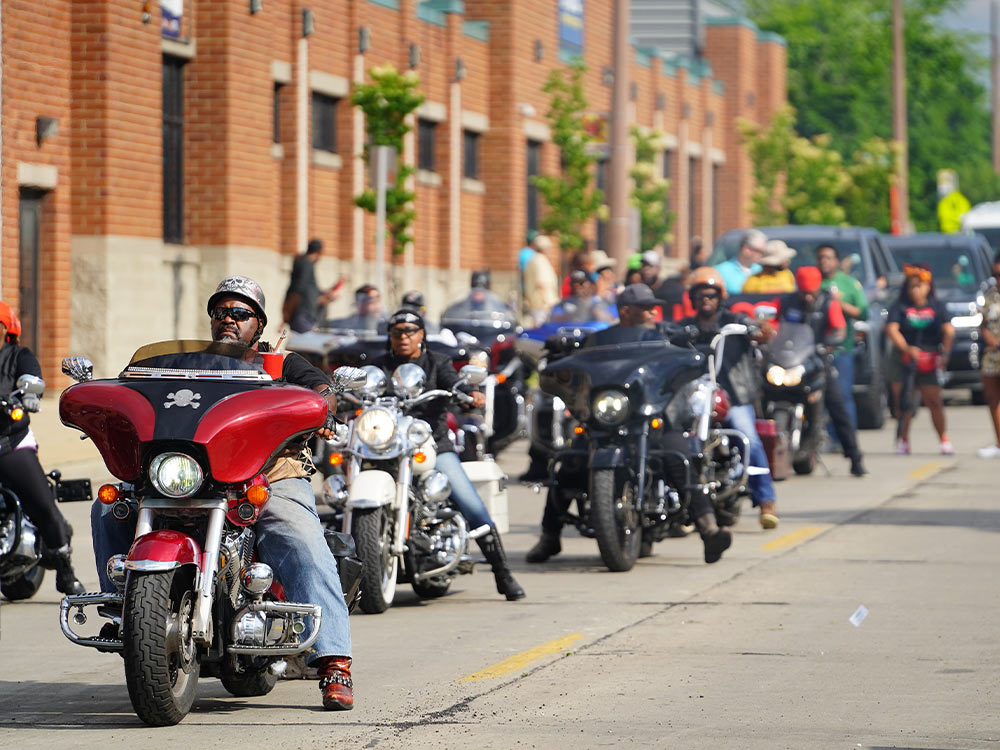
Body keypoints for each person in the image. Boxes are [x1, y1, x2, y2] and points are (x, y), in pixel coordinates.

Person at [91, 276, 356, 711]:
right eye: (221, 312)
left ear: (260, 322)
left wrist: (323, 405)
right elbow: (134, 388)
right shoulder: (184, 362)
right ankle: (125, 614)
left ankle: (334, 662)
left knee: (300, 534)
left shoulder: (281, 364)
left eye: (240, 313)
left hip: (266, 473)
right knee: (108, 511)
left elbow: (320, 388)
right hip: (186, 473)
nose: (228, 320)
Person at [527, 282, 733, 564]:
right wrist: (561, 348)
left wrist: (691, 341)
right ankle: (549, 537)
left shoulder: (665, 334)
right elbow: (581, 354)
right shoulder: (602, 340)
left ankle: (709, 529)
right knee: (568, 466)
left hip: (656, 417)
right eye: (646, 307)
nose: (653, 311)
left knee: (680, 457)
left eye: (654, 306)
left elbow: (688, 348)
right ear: (626, 311)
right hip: (609, 419)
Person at [373, 309, 525, 601]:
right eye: (397, 333)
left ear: (421, 335)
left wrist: (470, 393)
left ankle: (503, 574)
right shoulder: (379, 367)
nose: (403, 337)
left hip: (431, 445)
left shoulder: (437, 363)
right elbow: (358, 388)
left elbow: (457, 383)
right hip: (387, 447)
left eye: (410, 331)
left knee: (471, 504)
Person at [677, 268, 782, 529]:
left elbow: (764, 332)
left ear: (720, 296)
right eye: (700, 294)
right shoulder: (684, 328)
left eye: (711, 294)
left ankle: (766, 500)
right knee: (671, 441)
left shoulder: (735, 321)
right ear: (692, 297)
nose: (706, 299)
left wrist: (756, 328)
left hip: (732, 396)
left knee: (749, 440)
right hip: (694, 398)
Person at [0, 302, 86, 596]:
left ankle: (65, 570)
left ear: (7, 330)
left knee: (42, 504)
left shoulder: (17, 356)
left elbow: (32, 377)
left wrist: (29, 390)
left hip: (10, 442)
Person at [779, 267, 867, 477]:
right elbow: (775, 326)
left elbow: (839, 328)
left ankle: (855, 458)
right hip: (791, 363)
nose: (808, 297)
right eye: (804, 292)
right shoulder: (787, 302)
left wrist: (829, 343)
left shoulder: (828, 302)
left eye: (811, 292)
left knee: (838, 407)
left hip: (817, 363)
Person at [885, 263, 955, 455]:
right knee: (904, 402)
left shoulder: (937, 306)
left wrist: (945, 354)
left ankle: (944, 439)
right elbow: (891, 329)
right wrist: (907, 348)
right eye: (912, 286)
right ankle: (904, 440)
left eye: (920, 285)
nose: (916, 290)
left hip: (929, 358)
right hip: (903, 358)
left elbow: (949, 330)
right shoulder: (900, 307)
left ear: (928, 286)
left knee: (934, 401)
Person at [817, 243, 868, 445]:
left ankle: (847, 439)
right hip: (817, 350)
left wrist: (838, 303)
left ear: (837, 261)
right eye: (821, 258)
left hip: (842, 349)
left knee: (843, 395)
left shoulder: (848, 283)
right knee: (820, 398)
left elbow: (862, 312)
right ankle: (826, 438)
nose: (824, 262)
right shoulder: (814, 283)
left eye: (828, 258)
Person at [282, 238, 346, 333]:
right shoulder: (306, 264)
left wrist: (332, 290)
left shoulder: (304, 263)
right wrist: (286, 317)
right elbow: (299, 289)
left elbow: (312, 289)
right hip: (302, 314)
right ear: (319, 252)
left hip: (305, 314)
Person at [977, 254, 1000, 457]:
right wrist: (989, 338)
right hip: (992, 355)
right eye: (996, 275)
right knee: (993, 399)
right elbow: (982, 323)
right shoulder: (991, 297)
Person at [549, 270, 614, 323]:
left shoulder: (600, 301)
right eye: (574, 283)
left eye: (581, 283)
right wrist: (573, 314)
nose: (577, 286)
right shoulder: (565, 302)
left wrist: (593, 310)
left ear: (591, 285)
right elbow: (552, 318)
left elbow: (612, 320)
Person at [715, 229, 765, 294]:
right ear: (746, 249)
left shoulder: (761, 270)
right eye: (759, 251)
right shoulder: (721, 271)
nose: (762, 255)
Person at [523, 235, 560, 326]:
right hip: (542, 303)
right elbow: (542, 282)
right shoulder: (540, 260)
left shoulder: (533, 259)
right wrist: (548, 301)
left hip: (538, 302)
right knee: (540, 326)